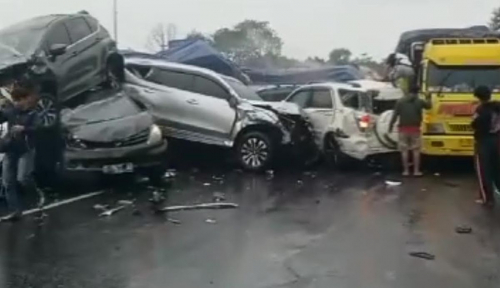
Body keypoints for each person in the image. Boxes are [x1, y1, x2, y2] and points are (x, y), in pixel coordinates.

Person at [0, 81, 43, 222]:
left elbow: (38, 129)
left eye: (20, 100)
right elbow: (2, 115)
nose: (17, 103)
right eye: (15, 100)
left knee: (23, 178)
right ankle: (15, 211)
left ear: (25, 99)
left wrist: (24, 129)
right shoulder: (11, 111)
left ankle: (38, 197)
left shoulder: (33, 114)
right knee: (7, 181)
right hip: (11, 149)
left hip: (26, 150)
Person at [389, 85, 431, 176]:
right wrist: (428, 97)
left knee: (404, 150)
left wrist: (390, 126)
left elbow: (395, 115)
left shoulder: (400, 101)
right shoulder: (419, 101)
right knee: (416, 150)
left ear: (408, 91)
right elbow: (429, 106)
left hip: (403, 129)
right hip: (415, 129)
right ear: (417, 92)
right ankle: (416, 171)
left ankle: (406, 171)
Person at [471, 85, 500, 207]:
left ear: (478, 97)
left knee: (483, 170)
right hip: (498, 140)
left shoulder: (480, 110)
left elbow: (474, 124)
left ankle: (487, 198)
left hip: (484, 141)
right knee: (497, 168)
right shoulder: (497, 107)